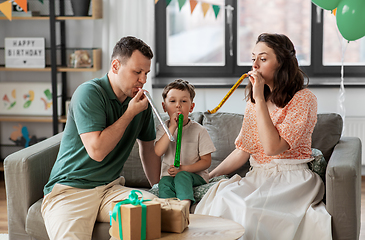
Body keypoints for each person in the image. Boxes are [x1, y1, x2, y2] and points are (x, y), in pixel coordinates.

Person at [194, 33, 332, 239]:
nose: (255, 65)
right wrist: (209, 176)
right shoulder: (254, 102)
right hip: (258, 176)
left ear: (282, 64)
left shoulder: (304, 99)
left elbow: (272, 148)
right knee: (223, 199)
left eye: (263, 59)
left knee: (250, 210)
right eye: (253, 58)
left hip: (292, 179)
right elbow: (243, 150)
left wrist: (259, 99)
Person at [41, 36, 160, 240]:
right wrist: (129, 113)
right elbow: (97, 151)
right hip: (71, 191)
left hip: (111, 189)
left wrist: (159, 188)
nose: (143, 80)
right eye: (137, 72)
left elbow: (148, 150)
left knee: (154, 211)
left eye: (146, 73)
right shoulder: (89, 93)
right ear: (115, 66)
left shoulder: (141, 105)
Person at [155, 79, 216, 208]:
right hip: (169, 175)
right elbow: (158, 151)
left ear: (191, 107)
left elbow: (206, 161)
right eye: (172, 101)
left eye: (183, 101)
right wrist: (172, 128)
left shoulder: (200, 131)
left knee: (182, 176)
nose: (178, 105)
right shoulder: (163, 129)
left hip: (195, 176)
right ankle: (167, 209)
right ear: (164, 106)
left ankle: (184, 207)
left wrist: (183, 169)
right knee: (164, 183)